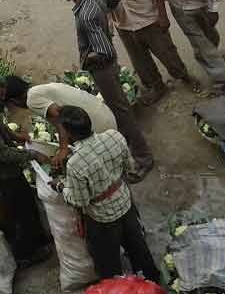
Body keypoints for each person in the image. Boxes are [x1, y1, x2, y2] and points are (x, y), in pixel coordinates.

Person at [52, 0, 156, 182]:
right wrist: (109, 25)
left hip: (103, 69)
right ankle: (133, 146)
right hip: (110, 65)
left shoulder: (86, 16)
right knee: (120, 108)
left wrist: (88, 57)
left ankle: (143, 158)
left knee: (122, 113)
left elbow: (104, 51)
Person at [51, 105, 161, 283]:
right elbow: (130, 167)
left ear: (69, 133)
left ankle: (115, 289)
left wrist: (61, 186)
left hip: (102, 218)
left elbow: (80, 200)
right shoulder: (114, 136)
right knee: (138, 247)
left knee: (108, 262)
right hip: (125, 202)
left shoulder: (75, 164)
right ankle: (152, 281)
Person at [84, 0, 195, 105]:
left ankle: (184, 77)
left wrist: (163, 16)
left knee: (167, 54)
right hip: (123, 24)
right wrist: (108, 26)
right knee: (140, 62)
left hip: (148, 19)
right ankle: (157, 87)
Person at [0, 73, 52, 266]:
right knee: (22, 211)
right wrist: (33, 155)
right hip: (0, 171)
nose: (3, 99)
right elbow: (1, 154)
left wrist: (14, 135)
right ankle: (24, 254)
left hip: (2, 161)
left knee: (28, 204)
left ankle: (39, 238)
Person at [3, 77, 121, 168]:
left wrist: (63, 150)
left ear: (13, 101)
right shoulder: (41, 89)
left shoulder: (31, 100)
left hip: (99, 127)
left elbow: (60, 118)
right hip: (107, 116)